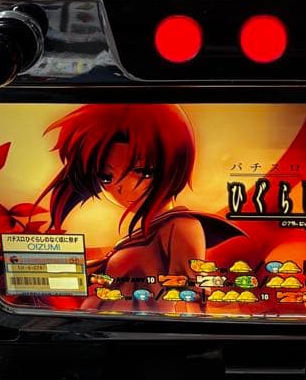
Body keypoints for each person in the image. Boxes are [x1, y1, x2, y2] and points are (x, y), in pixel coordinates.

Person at [37, 105, 243, 310]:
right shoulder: (141, 234)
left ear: (173, 166)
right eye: (106, 177)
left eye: (142, 172)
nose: (121, 187)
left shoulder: (181, 226)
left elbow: (192, 294)